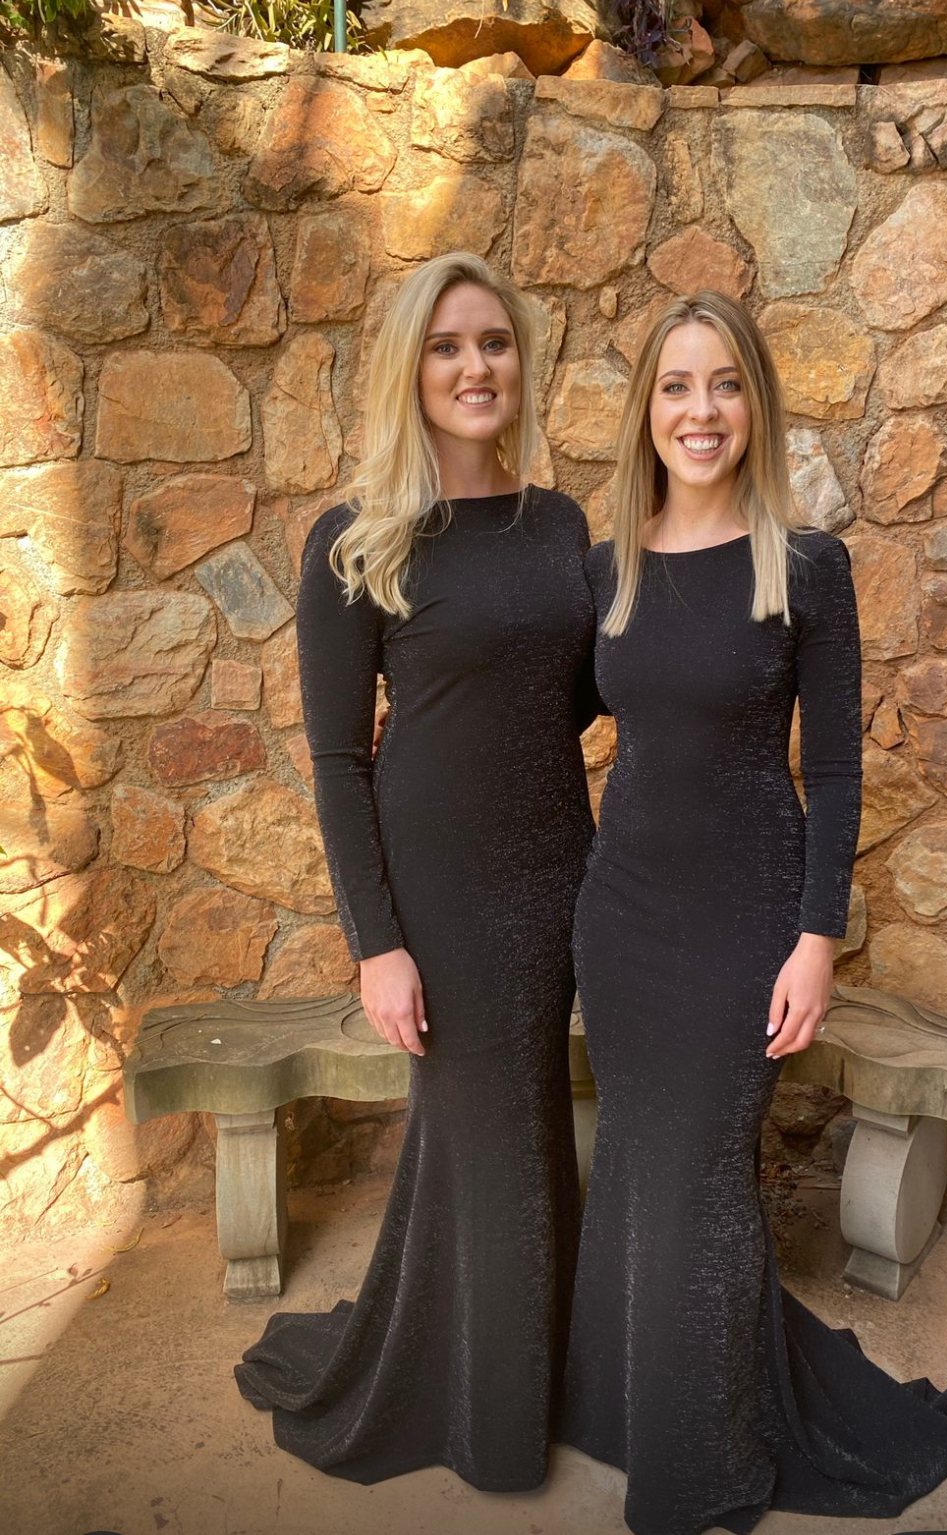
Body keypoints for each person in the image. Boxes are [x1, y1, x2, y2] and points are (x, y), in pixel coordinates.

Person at [562, 292, 947, 1535]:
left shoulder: (805, 567)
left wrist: (816, 939)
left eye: (725, 384)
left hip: (747, 923)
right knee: (642, 1161)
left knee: (702, 1176)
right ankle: (635, 1405)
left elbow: (837, 771)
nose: (701, 410)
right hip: (623, 918)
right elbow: (543, 718)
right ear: (647, 409)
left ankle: (704, 1463)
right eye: (677, 385)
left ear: (756, 403)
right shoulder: (607, 568)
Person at [235, 253, 597, 1492]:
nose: (475, 366)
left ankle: (518, 1364)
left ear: (521, 361)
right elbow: (340, 761)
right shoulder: (357, 540)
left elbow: (571, 697)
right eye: (447, 346)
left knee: (522, 1127)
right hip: (441, 896)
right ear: (410, 369)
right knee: (492, 1139)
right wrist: (376, 942)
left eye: (494, 342)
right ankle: (490, 1420)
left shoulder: (560, 526)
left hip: (558, 873)